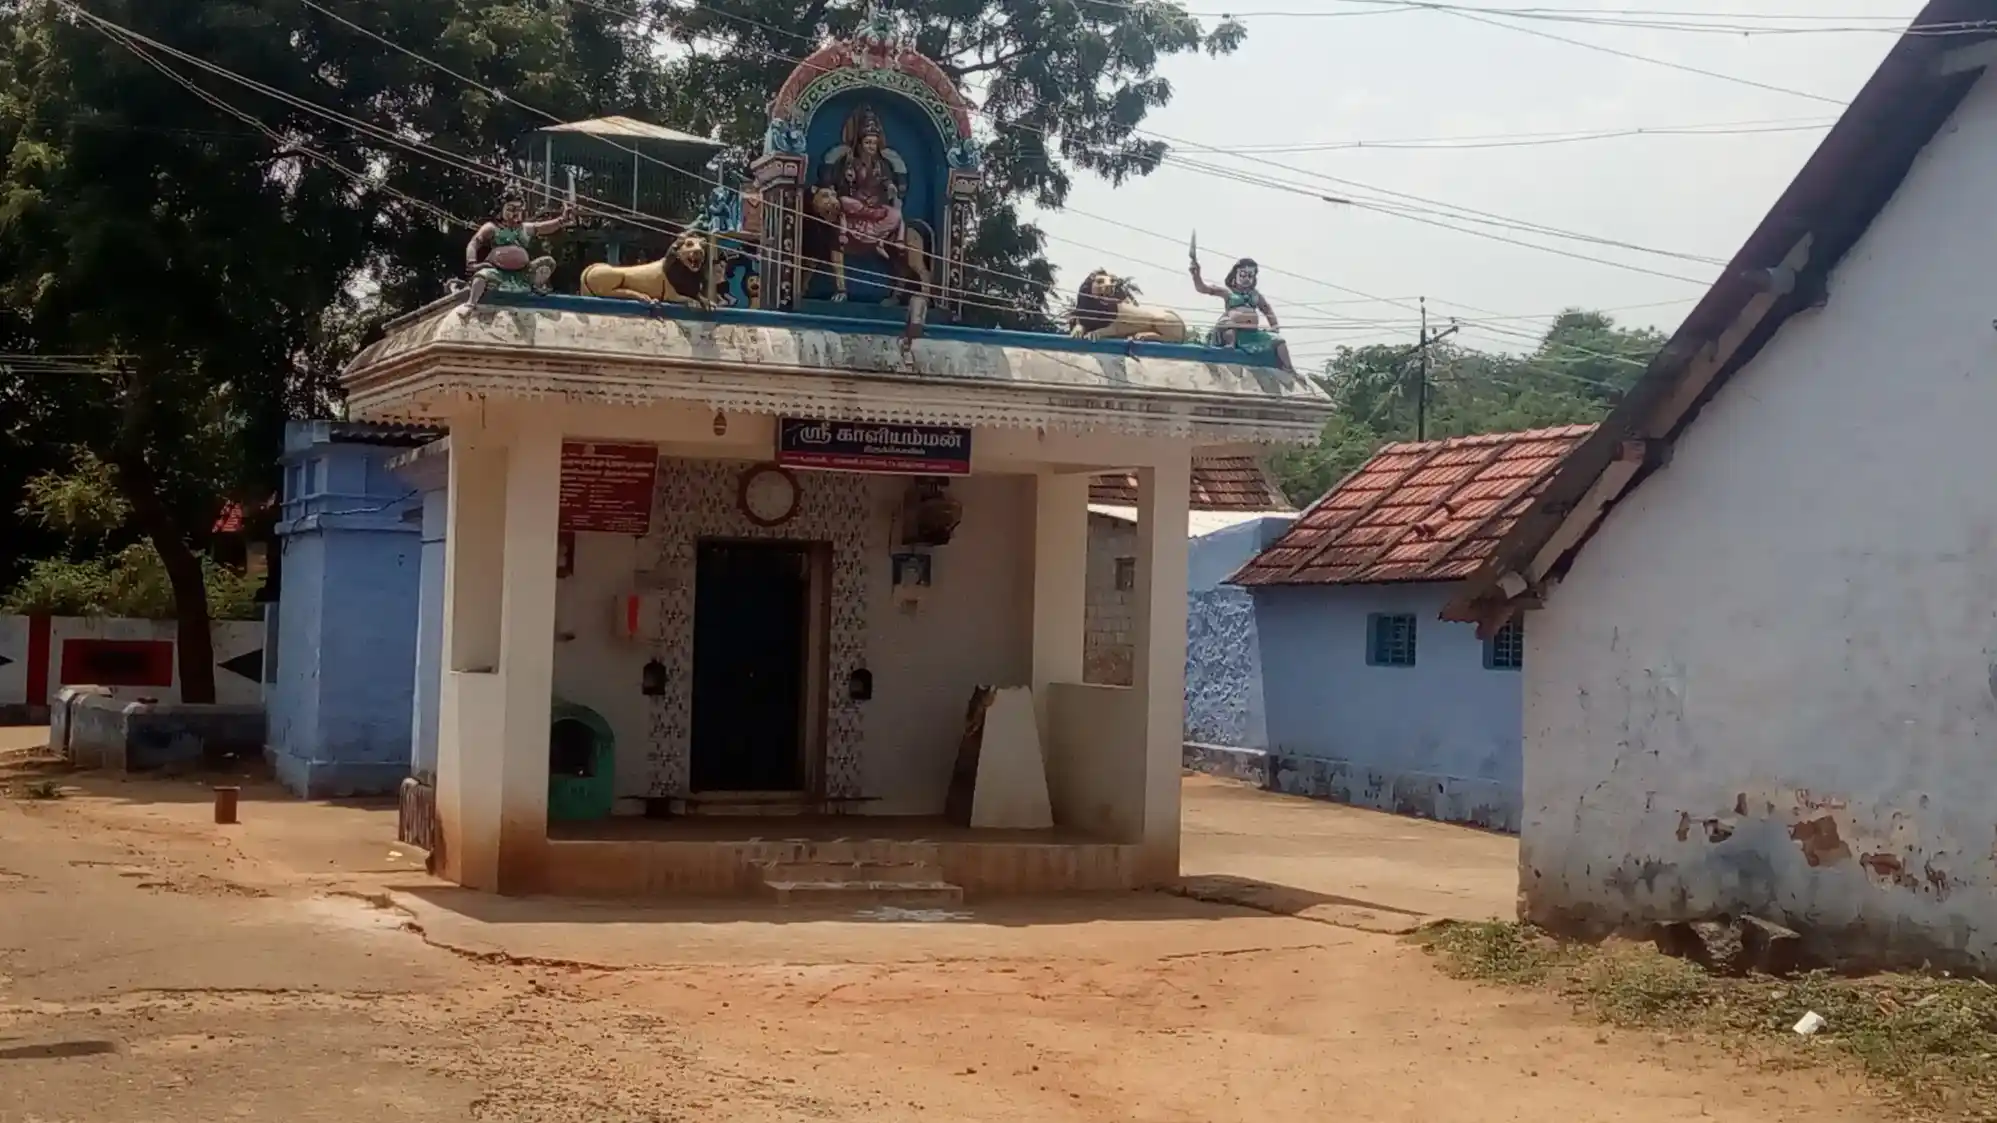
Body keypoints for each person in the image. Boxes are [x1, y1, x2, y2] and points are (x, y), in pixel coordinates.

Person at [464, 190, 576, 306]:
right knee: (481, 277)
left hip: (523, 274)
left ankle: (535, 287)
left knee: (548, 263)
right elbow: (474, 243)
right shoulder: (491, 228)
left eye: (519, 210)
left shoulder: (524, 228)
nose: (515, 213)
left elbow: (543, 227)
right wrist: (472, 263)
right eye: (511, 209)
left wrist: (562, 219)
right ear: (501, 210)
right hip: (498, 272)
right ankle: (471, 304)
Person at [1191, 256, 1293, 372]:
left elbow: (1267, 310)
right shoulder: (1228, 292)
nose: (1246, 279)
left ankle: (1288, 369)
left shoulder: (1255, 295)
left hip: (1252, 335)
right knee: (1227, 325)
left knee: (1279, 341)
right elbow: (1203, 288)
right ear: (1235, 275)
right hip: (1233, 331)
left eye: (1250, 276)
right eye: (1243, 275)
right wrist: (1196, 276)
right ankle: (1230, 348)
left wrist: (1274, 326)